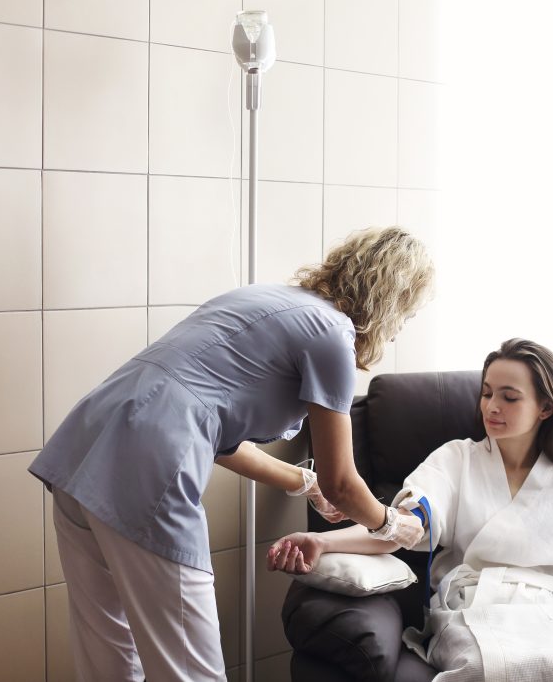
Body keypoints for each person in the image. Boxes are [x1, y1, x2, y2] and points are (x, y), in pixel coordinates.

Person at [29, 227, 432, 682]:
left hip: (85, 443)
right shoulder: (333, 337)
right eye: (408, 315)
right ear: (393, 300)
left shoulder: (263, 299)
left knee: (108, 654)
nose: (399, 330)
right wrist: (391, 525)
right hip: (149, 464)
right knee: (190, 669)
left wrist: (303, 482)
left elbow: (211, 427)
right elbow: (344, 481)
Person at [267, 338, 553, 682]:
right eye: (487, 393)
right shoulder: (455, 459)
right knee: (487, 669)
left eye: (509, 397)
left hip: (552, 608)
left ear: (545, 407)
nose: (492, 407)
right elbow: (402, 528)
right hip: (475, 603)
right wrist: (322, 540)